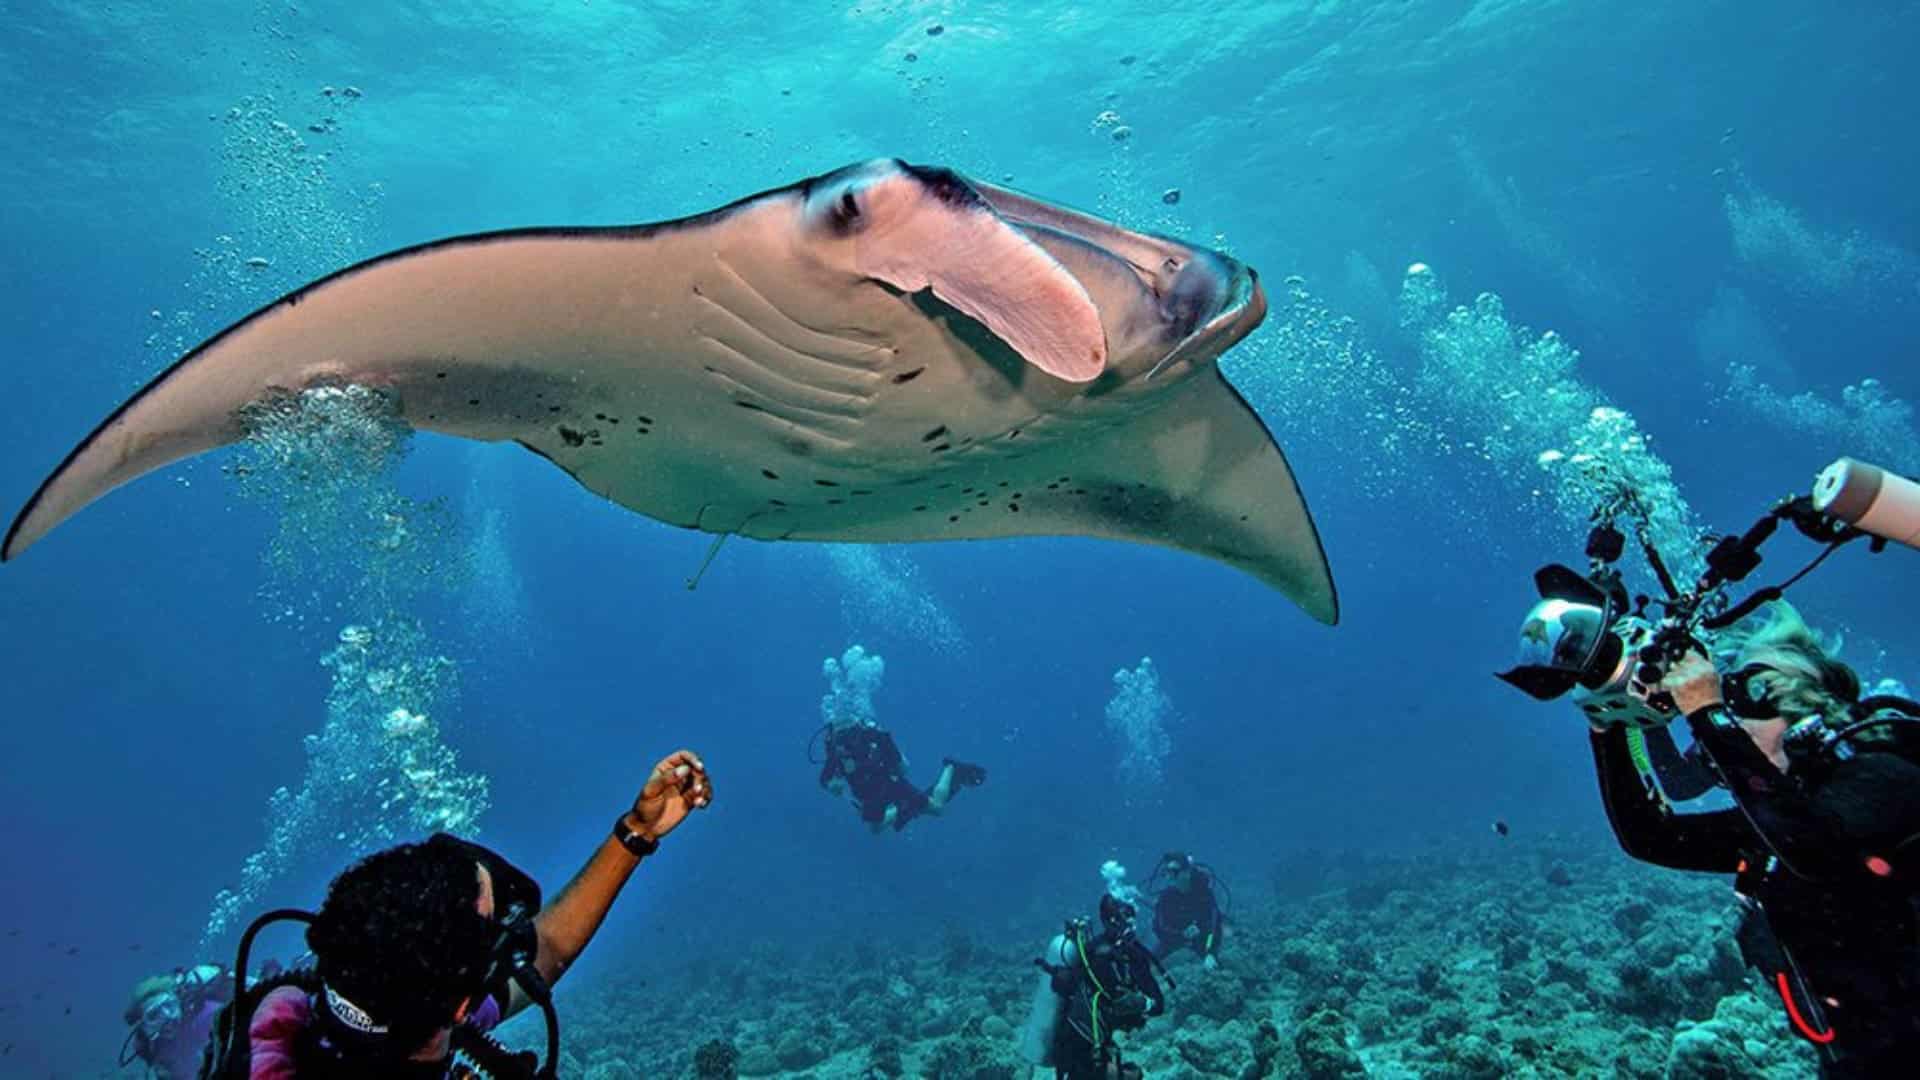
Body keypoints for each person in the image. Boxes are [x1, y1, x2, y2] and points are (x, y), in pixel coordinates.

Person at [200, 749, 713, 1079]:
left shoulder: (383, 1012)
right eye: (499, 934)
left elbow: (550, 946)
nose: (520, 941)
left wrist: (636, 833)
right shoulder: (424, 1021)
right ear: (463, 1005)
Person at [1586, 603, 1920, 1077]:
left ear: (1802, 710)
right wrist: (1609, 722)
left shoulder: (1884, 777)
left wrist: (1707, 712)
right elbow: (1652, 837)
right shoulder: (1783, 813)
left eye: (1750, 694)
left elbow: (1812, 845)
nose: (1733, 711)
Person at [1035, 894, 1168, 1080]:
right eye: (1121, 919)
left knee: (1131, 1075)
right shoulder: (1092, 953)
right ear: (1108, 921)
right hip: (1079, 1041)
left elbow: (1158, 1004)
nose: (1128, 925)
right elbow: (1065, 989)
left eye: (1130, 918)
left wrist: (1141, 1003)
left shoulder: (1135, 956)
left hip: (1101, 1041)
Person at [816, 715, 985, 833]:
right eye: (840, 734)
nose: (846, 740)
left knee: (936, 808)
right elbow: (824, 779)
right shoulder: (836, 751)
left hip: (891, 784)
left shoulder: (876, 737)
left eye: (849, 732)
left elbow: (902, 767)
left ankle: (951, 767)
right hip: (867, 794)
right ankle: (900, 810)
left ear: (857, 726)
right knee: (876, 829)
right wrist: (832, 786)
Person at [122, 964, 238, 1078]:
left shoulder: (208, 1016)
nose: (168, 1016)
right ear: (145, 1027)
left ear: (178, 1002)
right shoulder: (152, 1047)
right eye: (154, 1015)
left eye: (169, 1006)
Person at [1148, 852, 1225, 969]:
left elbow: (1214, 927)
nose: (1169, 877)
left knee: (1214, 967)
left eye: (1174, 872)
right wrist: (1181, 935)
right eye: (1167, 872)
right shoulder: (1166, 897)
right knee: (1147, 963)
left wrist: (1210, 952)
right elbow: (1160, 927)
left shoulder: (1203, 892)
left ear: (1187, 872)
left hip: (1200, 938)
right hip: (1174, 938)